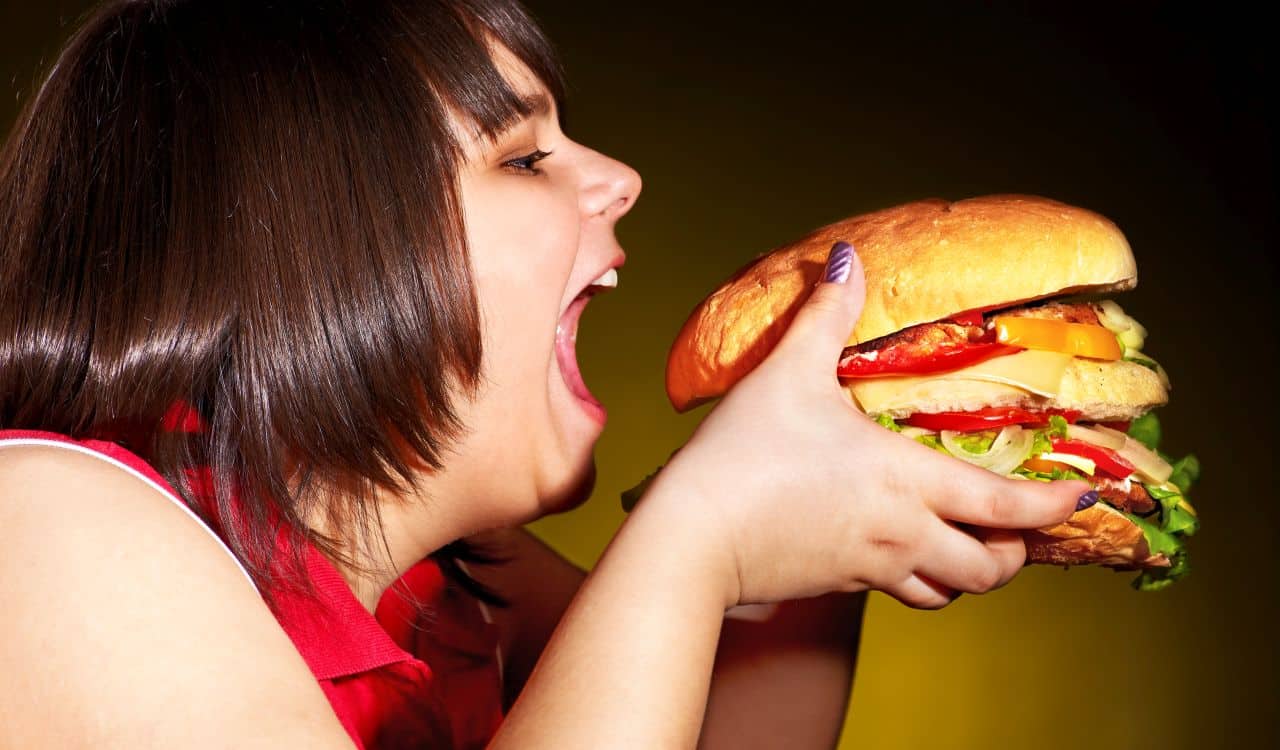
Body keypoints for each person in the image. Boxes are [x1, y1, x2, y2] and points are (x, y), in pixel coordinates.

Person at [0, 1, 1088, 747]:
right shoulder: (40, 522)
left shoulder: (455, 585)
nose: (620, 177)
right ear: (313, 249)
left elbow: (711, 731)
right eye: (523, 157)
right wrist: (696, 531)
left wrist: (823, 504)